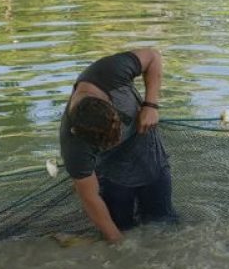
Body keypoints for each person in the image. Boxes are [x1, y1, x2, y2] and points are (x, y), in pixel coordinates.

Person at [60, 48, 177, 243]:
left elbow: (153, 56)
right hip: (112, 174)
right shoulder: (74, 146)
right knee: (123, 227)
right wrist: (118, 242)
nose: (118, 137)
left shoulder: (110, 72)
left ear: (108, 104)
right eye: (108, 140)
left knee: (164, 223)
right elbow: (90, 198)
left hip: (148, 153)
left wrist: (151, 105)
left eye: (116, 128)